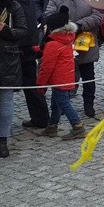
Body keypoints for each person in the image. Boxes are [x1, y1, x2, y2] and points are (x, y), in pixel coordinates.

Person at [45, 0, 103, 118]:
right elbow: (50, 16)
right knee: (67, 77)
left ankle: (88, 104)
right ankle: (65, 105)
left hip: (86, 42)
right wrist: (67, 27)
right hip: (64, 43)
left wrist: (79, 25)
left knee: (88, 76)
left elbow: (97, 16)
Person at [0, 0, 45, 129]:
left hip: (20, 42)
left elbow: (20, 16)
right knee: (29, 80)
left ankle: (40, 118)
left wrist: (14, 37)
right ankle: (40, 118)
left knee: (29, 81)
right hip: (23, 40)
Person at [36, 7, 84, 140]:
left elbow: (46, 67)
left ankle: (78, 126)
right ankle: (52, 126)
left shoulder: (53, 44)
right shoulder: (65, 39)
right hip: (67, 78)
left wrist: (41, 85)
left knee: (64, 104)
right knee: (56, 103)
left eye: (45, 26)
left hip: (59, 80)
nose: (44, 28)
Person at [0, 0, 28, 158]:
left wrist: (5, 30)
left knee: (5, 102)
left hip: (6, 59)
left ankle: (2, 139)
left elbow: (24, 31)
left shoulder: (13, 7)